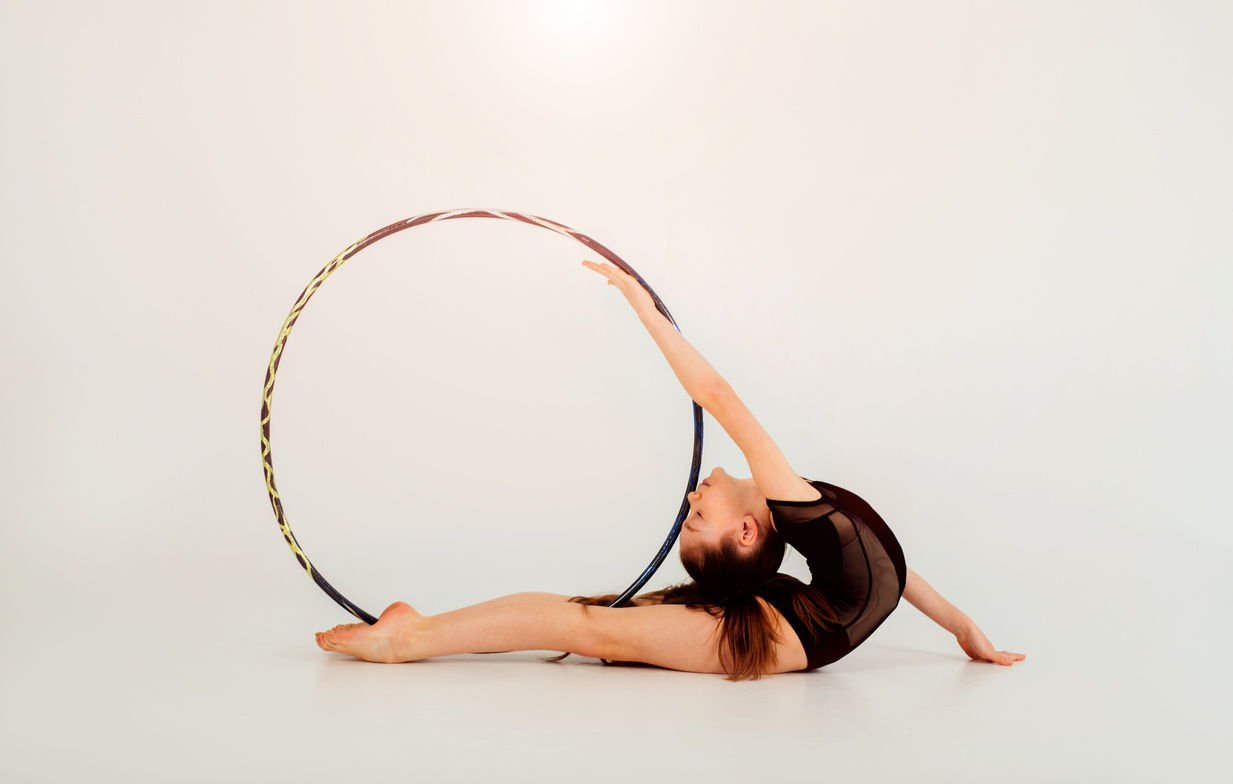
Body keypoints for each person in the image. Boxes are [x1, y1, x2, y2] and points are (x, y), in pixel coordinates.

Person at [315, 259, 1025, 680]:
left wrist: (637, 302)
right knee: (597, 625)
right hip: (790, 621)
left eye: (691, 515)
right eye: (699, 515)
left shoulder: (802, 513)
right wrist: (962, 626)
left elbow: (885, 566)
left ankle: (411, 639)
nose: (693, 494)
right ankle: (420, 629)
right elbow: (890, 570)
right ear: (749, 532)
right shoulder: (802, 510)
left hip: (789, 638)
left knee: (594, 628)